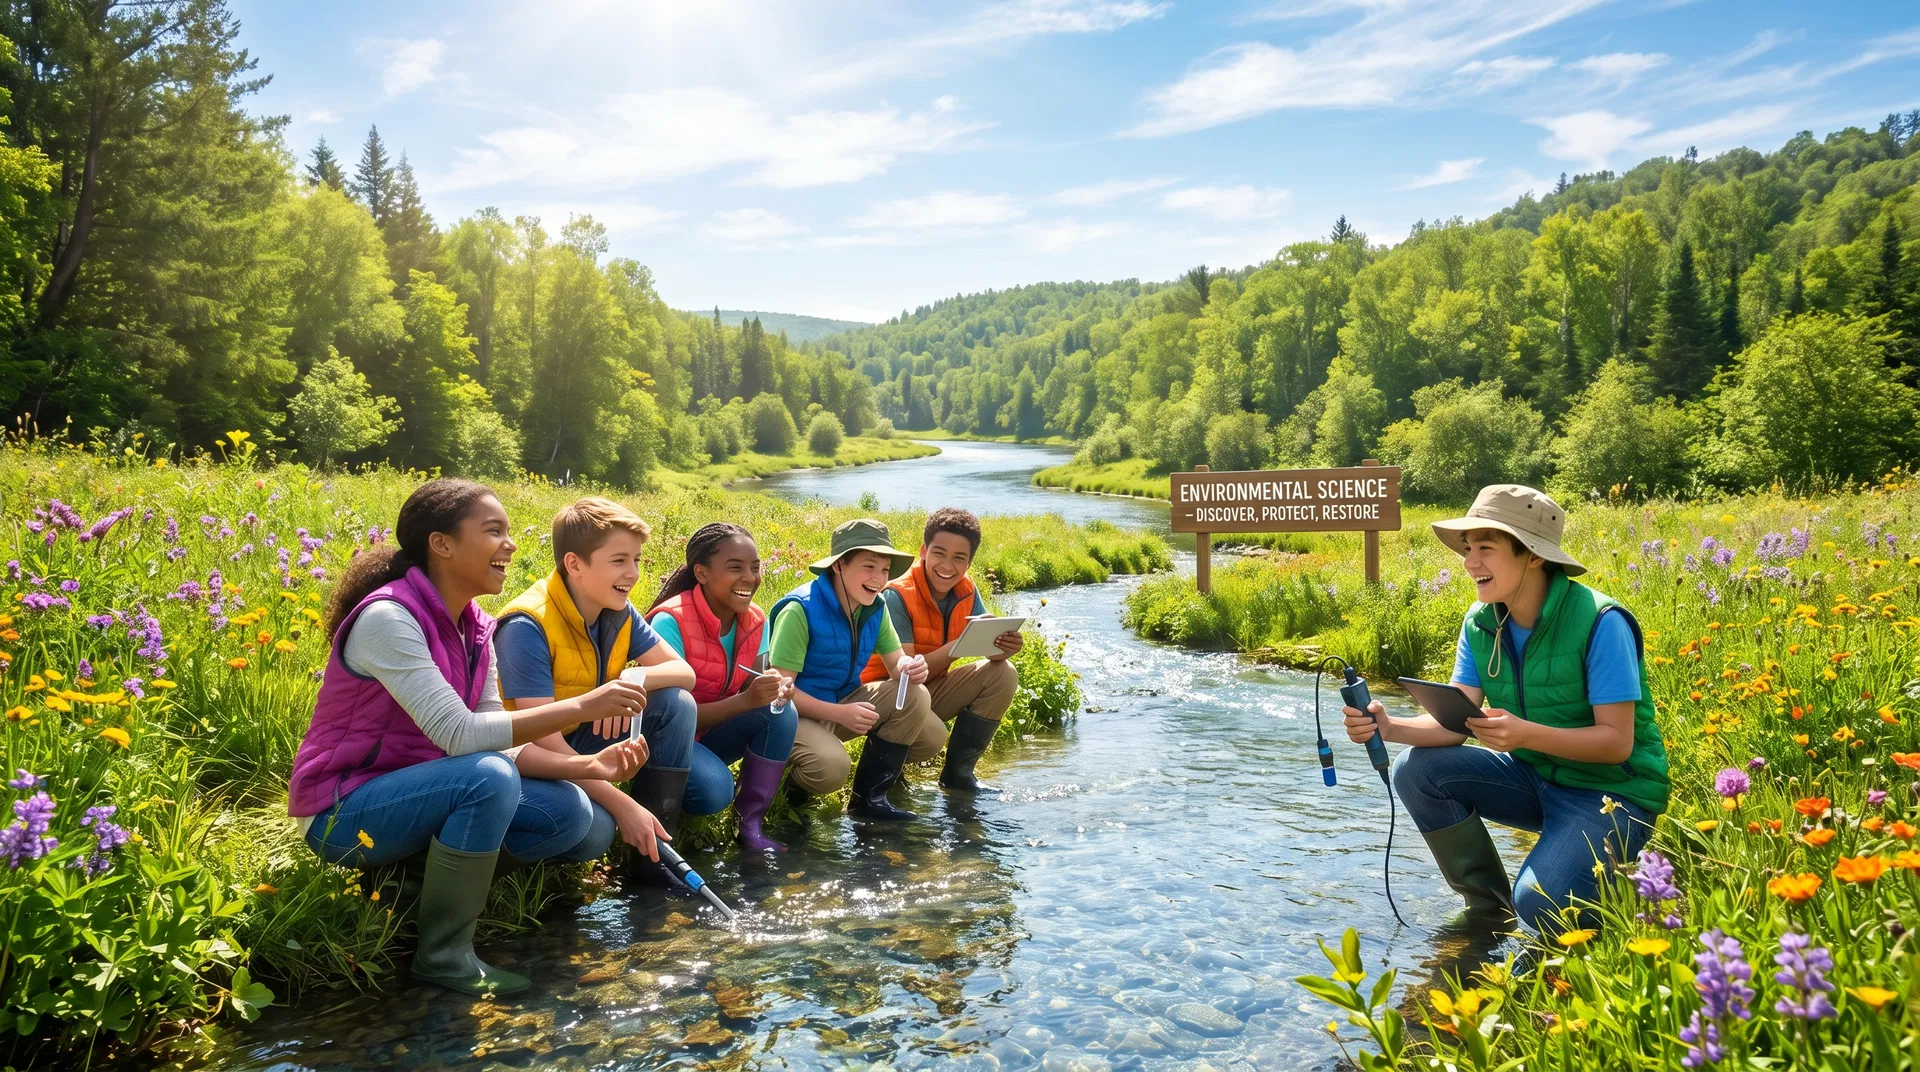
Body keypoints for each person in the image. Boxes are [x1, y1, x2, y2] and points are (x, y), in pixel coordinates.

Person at [289, 478, 656, 996]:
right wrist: (585, 705)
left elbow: (497, 739)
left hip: (419, 791)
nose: (510, 544)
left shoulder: (476, 628)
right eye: (493, 531)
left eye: (508, 531)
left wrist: (588, 768)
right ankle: (443, 955)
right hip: (342, 811)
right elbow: (459, 735)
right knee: (487, 778)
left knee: (569, 812)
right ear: (442, 543)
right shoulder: (388, 618)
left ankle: (405, 891)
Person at [1343, 485, 1669, 935]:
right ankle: (1490, 913)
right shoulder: (1480, 623)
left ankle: (1587, 902)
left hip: (1612, 796)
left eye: (1486, 548)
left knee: (1541, 902)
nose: (1469, 562)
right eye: (1468, 548)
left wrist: (1524, 735)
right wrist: (1388, 726)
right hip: (1535, 778)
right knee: (1415, 770)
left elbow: (1617, 744)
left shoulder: (1601, 621)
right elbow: (1455, 725)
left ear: (1532, 555)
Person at [494, 497, 704, 888]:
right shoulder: (527, 625)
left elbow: (683, 673)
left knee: (676, 703)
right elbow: (544, 739)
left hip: (579, 735)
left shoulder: (618, 609)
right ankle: (500, 871)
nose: (634, 573)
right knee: (596, 831)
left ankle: (653, 862)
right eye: (619, 560)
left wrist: (634, 679)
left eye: (637, 560)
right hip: (530, 755)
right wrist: (623, 804)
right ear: (574, 564)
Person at [646, 522, 796, 853]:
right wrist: (746, 701)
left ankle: (751, 827)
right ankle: (665, 811)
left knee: (782, 711)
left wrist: (775, 689)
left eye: (755, 568)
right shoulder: (670, 622)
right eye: (736, 567)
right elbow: (671, 717)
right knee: (714, 791)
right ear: (701, 573)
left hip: (711, 732)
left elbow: (753, 687)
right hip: (667, 742)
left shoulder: (756, 619)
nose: (750, 578)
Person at [768, 518, 933, 821]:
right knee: (833, 767)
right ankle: (787, 799)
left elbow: (896, 663)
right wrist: (839, 714)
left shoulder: (875, 607)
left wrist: (910, 667)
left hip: (842, 702)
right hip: (794, 716)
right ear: (839, 566)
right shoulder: (800, 610)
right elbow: (779, 694)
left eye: (885, 569)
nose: (879, 578)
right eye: (869, 566)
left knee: (919, 704)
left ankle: (870, 801)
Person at [859, 507, 1021, 793]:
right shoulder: (897, 595)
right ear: (923, 551)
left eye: (959, 558)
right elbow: (907, 674)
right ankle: (884, 774)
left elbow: (985, 648)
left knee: (1004, 673)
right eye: (939, 553)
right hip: (888, 696)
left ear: (969, 562)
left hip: (930, 690)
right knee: (934, 737)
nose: (947, 566)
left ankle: (959, 776)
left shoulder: (967, 590)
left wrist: (1003, 647)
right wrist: (959, 647)